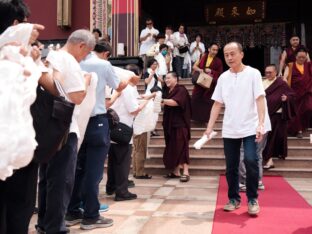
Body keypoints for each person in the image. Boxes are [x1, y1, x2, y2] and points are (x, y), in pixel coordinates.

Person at [36, 29, 95, 234]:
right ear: (80, 46)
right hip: (64, 128)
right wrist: (86, 81)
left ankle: (44, 223)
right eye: (86, 53)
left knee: (47, 178)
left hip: (49, 127)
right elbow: (77, 96)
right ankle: (55, 227)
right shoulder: (68, 59)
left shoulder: (51, 56)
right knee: (62, 180)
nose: (84, 57)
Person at [65, 41, 127, 230]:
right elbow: (118, 85)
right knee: (94, 171)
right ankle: (91, 215)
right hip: (97, 121)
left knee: (77, 168)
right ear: (106, 53)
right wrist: (127, 81)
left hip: (77, 120)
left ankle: (73, 210)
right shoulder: (103, 64)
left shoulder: (72, 62)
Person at [0, 1, 46, 233]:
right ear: (17, 25)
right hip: (12, 149)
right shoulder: (14, 61)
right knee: (18, 210)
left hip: (17, 148)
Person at [205, 42, 265, 216]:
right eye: (226, 55)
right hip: (230, 128)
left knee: (251, 160)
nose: (229, 57)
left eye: (232, 53)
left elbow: (260, 99)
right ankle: (233, 198)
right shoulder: (223, 77)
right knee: (231, 166)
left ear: (241, 54)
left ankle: (253, 199)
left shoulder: (253, 73)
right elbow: (217, 104)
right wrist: (209, 127)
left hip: (250, 126)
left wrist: (261, 123)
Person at [106, 64, 154, 201]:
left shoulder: (112, 85)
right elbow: (133, 109)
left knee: (113, 159)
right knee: (122, 161)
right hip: (123, 127)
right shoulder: (128, 87)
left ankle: (111, 186)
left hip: (112, 125)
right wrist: (145, 102)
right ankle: (122, 191)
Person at [262, 64, 296, 169]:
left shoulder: (281, 83)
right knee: (265, 138)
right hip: (264, 114)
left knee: (272, 138)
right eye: (266, 72)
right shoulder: (262, 83)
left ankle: (269, 160)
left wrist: (286, 98)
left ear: (275, 72)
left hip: (277, 115)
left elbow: (292, 95)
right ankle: (268, 159)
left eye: (270, 72)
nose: (268, 74)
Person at [162, 72, 191, 182]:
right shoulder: (168, 90)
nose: (166, 80)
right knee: (173, 147)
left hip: (180, 124)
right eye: (165, 78)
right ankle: (176, 171)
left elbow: (175, 102)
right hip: (170, 124)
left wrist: (161, 100)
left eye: (169, 78)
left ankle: (186, 172)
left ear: (176, 79)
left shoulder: (181, 89)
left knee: (182, 147)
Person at [283, 48, 312, 137]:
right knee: (296, 112)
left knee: (309, 108)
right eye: (300, 57)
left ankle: (304, 126)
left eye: (303, 57)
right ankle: (299, 130)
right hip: (295, 93)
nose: (301, 59)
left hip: (307, 93)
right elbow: (285, 77)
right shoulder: (290, 65)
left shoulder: (308, 65)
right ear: (296, 57)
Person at [191, 43, 223, 123]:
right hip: (200, 82)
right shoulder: (202, 56)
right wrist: (200, 70)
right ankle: (195, 118)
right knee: (195, 98)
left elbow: (220, 73)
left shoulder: (218, 61)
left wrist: (211, 71)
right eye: (213, 49)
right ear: (209, 49)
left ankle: (206, 119)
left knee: (207, 101)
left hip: (210, 85)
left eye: (216, 50)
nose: (215, 52)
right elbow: (194, 66)